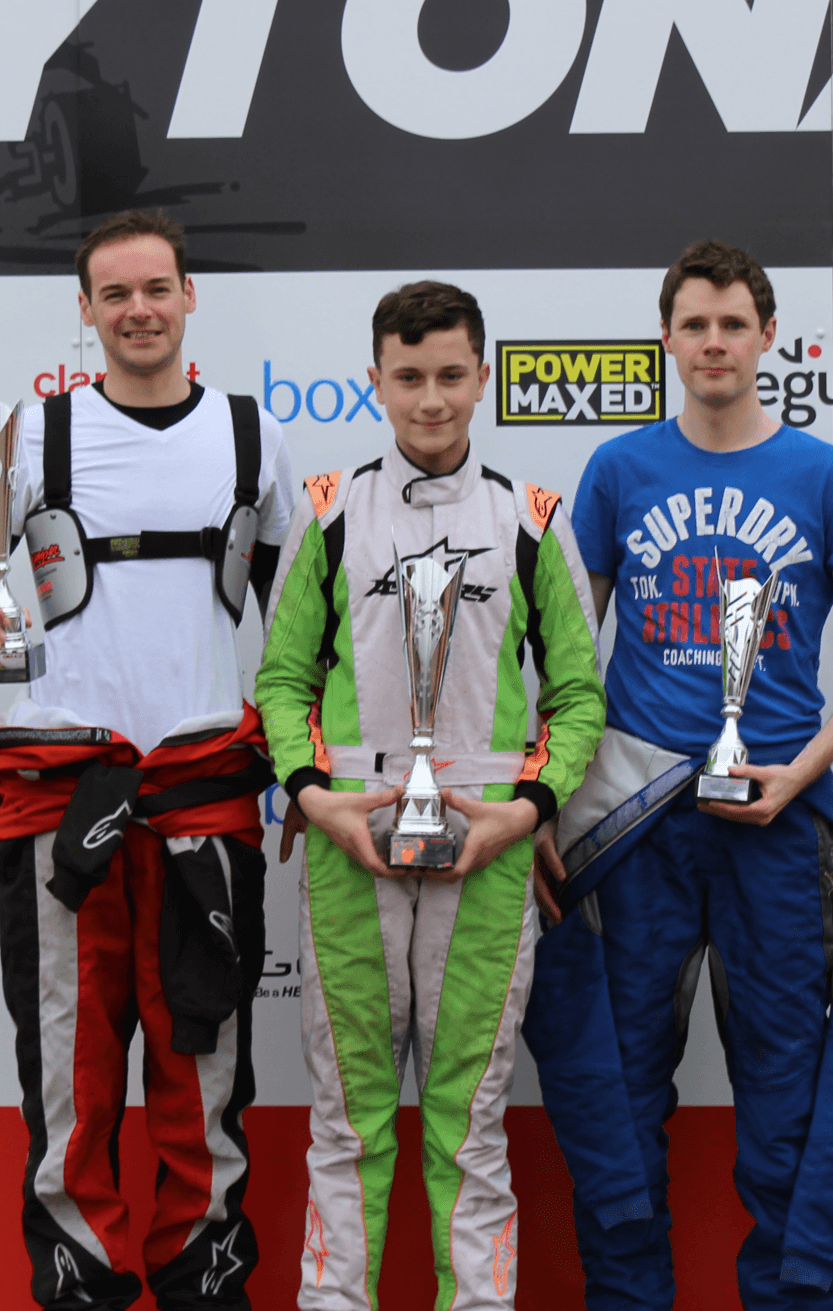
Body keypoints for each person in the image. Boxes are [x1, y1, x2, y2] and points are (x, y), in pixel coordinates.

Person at [526, 240, 833, 1310]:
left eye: (733, 324)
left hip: (774, 823)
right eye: (695, 324)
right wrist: (541, 799)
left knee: (787, 1104)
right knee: (616, 1098)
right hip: (635, 823)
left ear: (767, 337)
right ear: (666, 338)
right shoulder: (618, 470)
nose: (714, 342)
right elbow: (565, 657)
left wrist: (800, 774)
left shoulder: (826, 476)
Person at [0, 210, 295, 1311]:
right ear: (84, 311)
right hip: (62, 798)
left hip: (202, 799)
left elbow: (301, 623)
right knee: (69, 1076)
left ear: (189, 297)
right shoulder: (30, 437)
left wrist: (315, 768)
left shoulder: (252, 435)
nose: (139, 311)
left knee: (202, 1068)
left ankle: (203, 1280)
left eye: (156, 289)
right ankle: (78, 1288)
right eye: (115, 294)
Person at [253, 281, 607, 1310]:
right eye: (408, 377)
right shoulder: (328, 511)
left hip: (487, 853)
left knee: (469, 1123)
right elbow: (281, 681)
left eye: (451, 375)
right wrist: (310, 794)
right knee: (348, 1122)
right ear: (375, 380)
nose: (432, 400)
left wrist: (527, 810)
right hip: (350, 840)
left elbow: (578, 696)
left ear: (483, 377)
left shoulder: (531, 519)